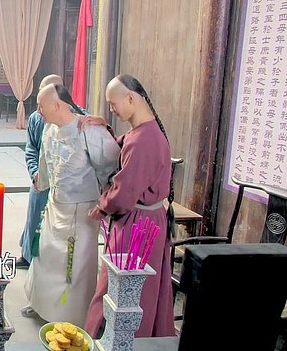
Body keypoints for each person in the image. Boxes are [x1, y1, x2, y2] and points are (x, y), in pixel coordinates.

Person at [85, 74, 176, 338]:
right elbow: (121, 147)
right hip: (146, 222)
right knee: (140, 289)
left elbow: (124, 194)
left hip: (137, 226)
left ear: (131, 98)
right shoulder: (144, 132)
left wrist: (103, 205)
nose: (111, 109)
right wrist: (104, 129)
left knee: (121, 290)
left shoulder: (144, 140)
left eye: (113, 104)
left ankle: (113, 339)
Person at [23, 84, 120, 325]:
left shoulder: (88, 130)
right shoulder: (49, 129)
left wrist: (106, 200)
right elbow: (45, 162)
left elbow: (111, 166)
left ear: (57, 105)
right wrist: (40, 182)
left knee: (74, 268)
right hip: (55, 205)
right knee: (45, 257)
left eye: (41, 106)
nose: (38, 111)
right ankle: (42, 305)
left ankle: (72, 317)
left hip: (81, 211)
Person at [19, 74, 66, 269]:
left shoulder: (77, 117)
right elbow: (31, 148)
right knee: (34, 214)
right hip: (41, 177)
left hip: (63, 183)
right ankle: (28, 255)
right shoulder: (36, 118)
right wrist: (34, 172)